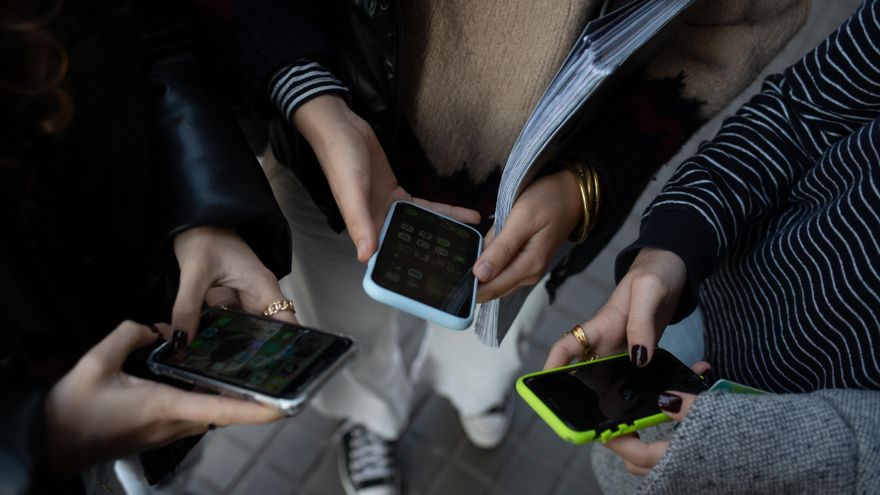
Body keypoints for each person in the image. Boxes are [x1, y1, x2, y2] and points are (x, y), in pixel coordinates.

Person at [194, 1, 809, 493]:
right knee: (344, 324)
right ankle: (371, 420)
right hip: (335, 131)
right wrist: (310, 97)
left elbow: (738, 23)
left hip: (544, 178)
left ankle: (477, 393)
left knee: (495, 340)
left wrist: (587, 183)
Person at [546, 1, 880, 492]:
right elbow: (801, 113)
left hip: (820, 454)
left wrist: (836, 455)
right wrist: (669, 249)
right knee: (615, 466)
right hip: (704, 300)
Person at [0, 1, 297, 492]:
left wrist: (203, 216)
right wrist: (30, 439)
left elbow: (158, 41)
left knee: (170, 466)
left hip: (144, 303)